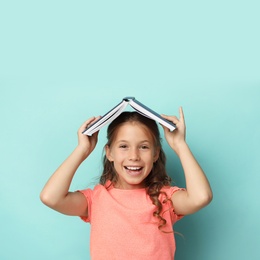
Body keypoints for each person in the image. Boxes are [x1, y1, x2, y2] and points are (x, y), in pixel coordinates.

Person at [40, 107, 213, 259]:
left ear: (155, 154)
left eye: (143, 147)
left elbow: (201, 197)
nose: (134, 156)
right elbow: (50, 197)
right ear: (109, 153)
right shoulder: (97, 199)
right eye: (123, 146)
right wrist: (82, 149)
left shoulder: (165, 198)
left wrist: (180, 145)